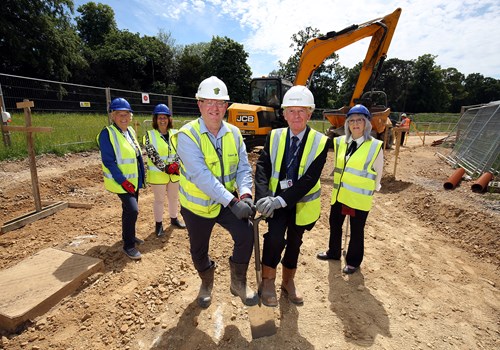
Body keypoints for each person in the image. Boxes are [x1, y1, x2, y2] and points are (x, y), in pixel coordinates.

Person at [174, 76, 258, 308]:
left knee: (246, 234)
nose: (214, 107)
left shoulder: (234, 133)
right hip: (197, 207)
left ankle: (238, 282)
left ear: (226, 107)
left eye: (220, 103)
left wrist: (246, 194)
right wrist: (233, 202)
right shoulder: (187, 135)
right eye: (208, 102)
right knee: (199, 250)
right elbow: (201, 176)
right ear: (199, 104)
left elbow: (242, 167)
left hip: (226, 201)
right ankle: (206, 282)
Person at [254, 85, 329, 306]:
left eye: (301, 111)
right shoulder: (275, 136)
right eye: (291, 111)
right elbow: (262, 167)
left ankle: (288, 281)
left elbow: (310, 179)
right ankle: (268, 281)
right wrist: (263, 197)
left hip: (300, 204)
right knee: (275, 239)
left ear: (309, 113)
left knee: (295, 243)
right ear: (284, 114)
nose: (296, 116)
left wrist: (282, 199)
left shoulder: (320, 142)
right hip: (275, 203)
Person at [317, 104, 384, 274]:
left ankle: (353, 261)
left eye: (359, 120)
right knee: (335, 224)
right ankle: (334, 252)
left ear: (366, 124)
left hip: (359, 198)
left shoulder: (375, 146)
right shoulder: (340, 142)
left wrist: (372, 189)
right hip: (339, 195)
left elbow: (378, 174)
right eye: (351, 120)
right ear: (347, 124)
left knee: (356, 230)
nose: (355, 124)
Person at [97, 97, 145, 260]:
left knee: (129, 211)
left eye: (127, 114)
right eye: (120, 115)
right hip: (121, 182)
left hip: (133, 181)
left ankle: (129, 237)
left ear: (131, 116)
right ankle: (128, 246)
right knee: (132, 210)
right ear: (113, 116)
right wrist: (123, 181)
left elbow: (135, 155)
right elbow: (108, 161)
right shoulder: (107, 134)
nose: (124, 118)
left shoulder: (130, 131)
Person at [143, 103, 186, 237]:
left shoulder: (175, 134)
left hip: (174, 174)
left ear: (169, 119)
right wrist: (165, 168)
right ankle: (159, 224)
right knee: (159, 200)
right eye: (159, 117)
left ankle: (174, 219)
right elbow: (152, 154)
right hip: (158, 175)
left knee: (174, 198)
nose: (162, 120)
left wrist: (176, 165)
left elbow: (182, 151)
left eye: (165, 117)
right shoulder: (149, 135)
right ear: (155, 120)